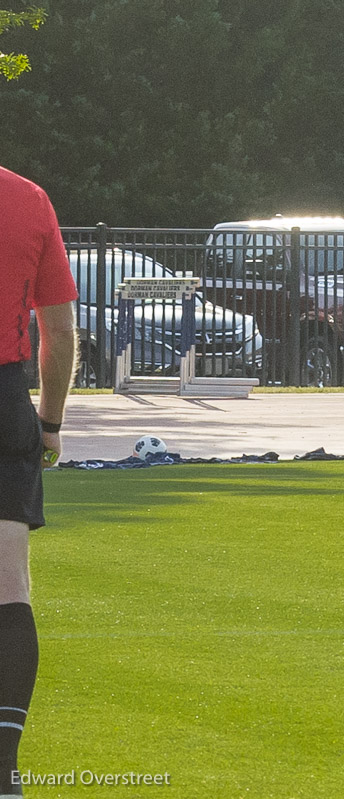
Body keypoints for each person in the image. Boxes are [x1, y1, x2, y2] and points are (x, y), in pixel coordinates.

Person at [0, 165, 78, 799]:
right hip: (3, 404)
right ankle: (4, 768)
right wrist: (48, 422)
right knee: (8, 586)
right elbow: (58, 332)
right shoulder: (27, 197)